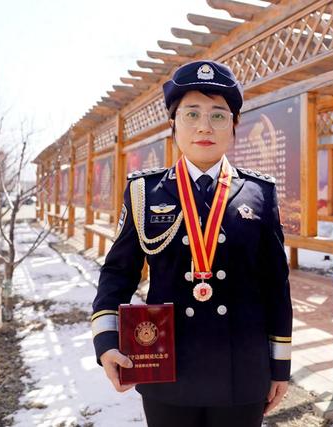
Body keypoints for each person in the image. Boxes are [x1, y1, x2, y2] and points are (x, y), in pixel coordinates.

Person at [91, 60, 292, 427]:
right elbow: (118, 272)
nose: (204, 126)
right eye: (192, 113)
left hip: (242, 371)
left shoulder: (259, 193)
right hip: (166, 369)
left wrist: (279, 365)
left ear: (234, 125)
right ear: (173, 124)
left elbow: (276, 285)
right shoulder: (145, 191)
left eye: (218, 115)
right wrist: (106, 341)